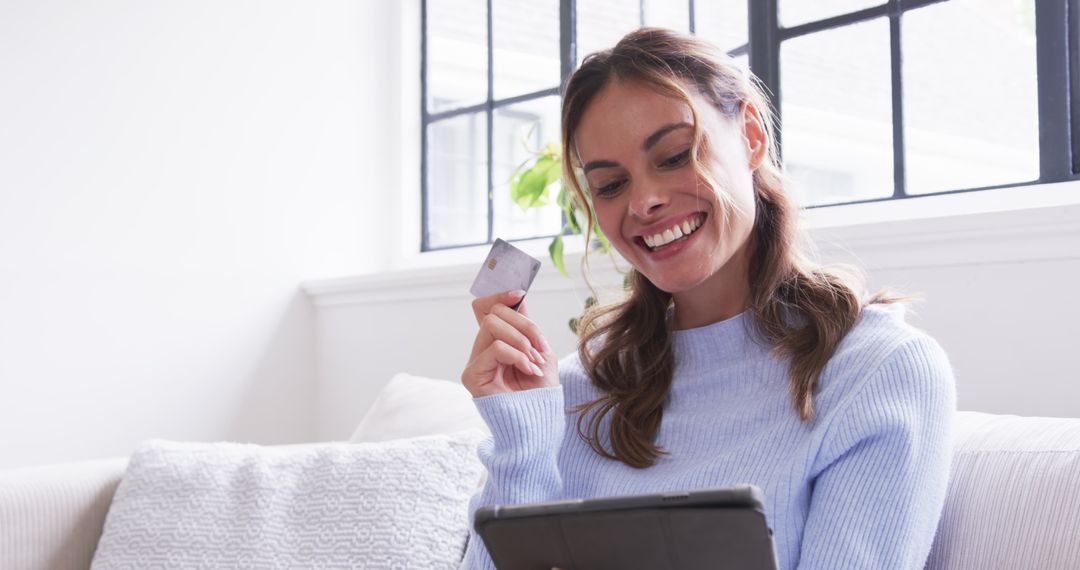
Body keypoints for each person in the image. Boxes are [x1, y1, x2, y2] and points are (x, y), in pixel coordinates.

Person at [459, 27, 955, 570]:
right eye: (610, 185)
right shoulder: (576, 392)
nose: (644, 201)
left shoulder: (876, 371)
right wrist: (522, 437)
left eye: (674, 156)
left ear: (750, 136)